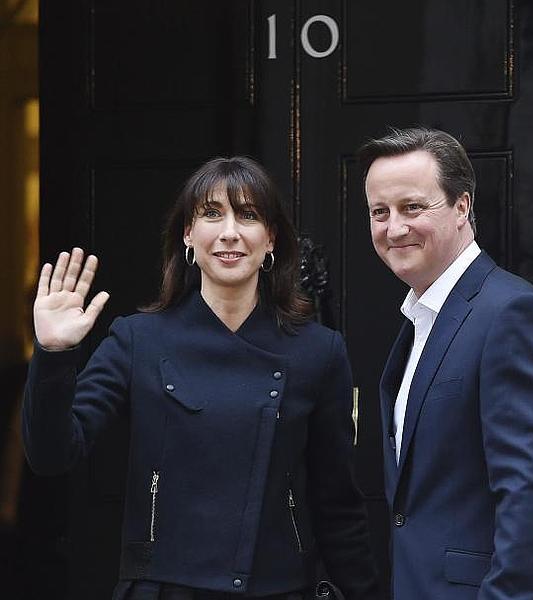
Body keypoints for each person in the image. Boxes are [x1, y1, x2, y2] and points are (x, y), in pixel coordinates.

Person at [23, 157, 381, 600]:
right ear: (188, 235)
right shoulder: (139, 339)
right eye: (212, 214)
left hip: (279, 588)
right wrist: (54, 355)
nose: (229, 231)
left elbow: (339, 504)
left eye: (247, 215)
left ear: (270, 239)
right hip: (165, 587)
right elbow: (52, 454)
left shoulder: (319, 351)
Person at [359, 127, 533, 600]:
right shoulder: (421, 320)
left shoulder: (511, 314)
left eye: (412, 207)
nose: (393, 228)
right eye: (380, 212)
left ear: (462, 206)